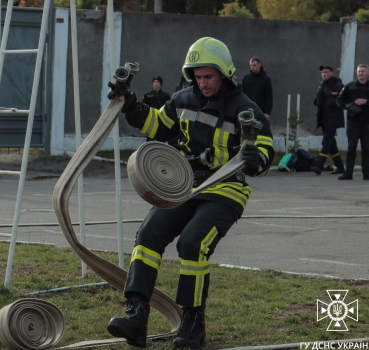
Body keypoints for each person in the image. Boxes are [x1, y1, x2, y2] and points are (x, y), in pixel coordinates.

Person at [106, 37, 274, 349]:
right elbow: (157, 125)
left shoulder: (245, 109)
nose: (202, 83)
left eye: (208, 77)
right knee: (147, 236)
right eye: (197, 77)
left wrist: (256, 159)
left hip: (226, 190)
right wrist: (129, 104)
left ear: (224, 73)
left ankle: (193, 325)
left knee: (192, 243)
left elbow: (265, 152)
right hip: (185, 187)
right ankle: (136, 317)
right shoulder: (183, 100)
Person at [336, 64, 369, 181]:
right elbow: (339, 100)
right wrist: (348, 107)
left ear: (368, 73)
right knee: (351, 147)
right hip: (353, 121)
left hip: (366, 122)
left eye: (363, 71)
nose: (361, 73)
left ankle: (367, 173)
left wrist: (366, 101)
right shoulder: (350, 86)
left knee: (365, 148)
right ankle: (348, 173)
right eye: (359, 71)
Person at [312, 65, 345, 175]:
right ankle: (340, 166)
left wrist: (332, 103)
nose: (324, 74)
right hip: (323, 118)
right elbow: (319, 99)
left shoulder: (338, 85)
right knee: (331, 145)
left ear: (331, 73)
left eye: (326, 72)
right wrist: (317, 101)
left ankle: (319, 165)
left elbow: (341, 101)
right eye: (322, 72)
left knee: (326, 141)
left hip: (333, 119)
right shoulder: (322, 85)